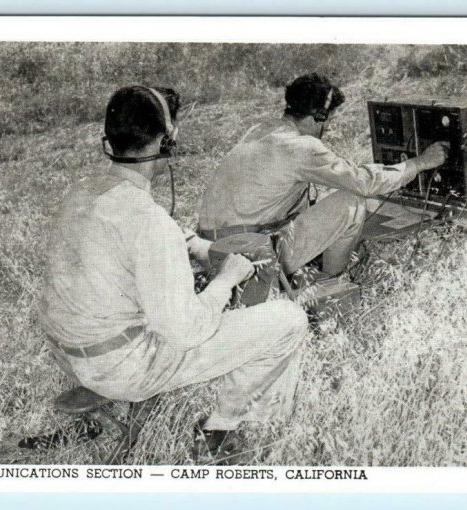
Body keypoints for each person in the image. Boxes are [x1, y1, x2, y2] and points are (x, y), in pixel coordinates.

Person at [38, 85, 308, 464]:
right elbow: (186, 332)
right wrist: (225, 280)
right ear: (167, 141)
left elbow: (121, 245)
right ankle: (224, 432)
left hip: (69, 355)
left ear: (110, 139)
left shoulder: (82, 191)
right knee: (289, 321)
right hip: (121, 369)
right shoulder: (148, 221)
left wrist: (187, 244)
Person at [198, 72, 449, 278]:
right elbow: (364, 183)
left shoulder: (259, 129)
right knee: (351, 202)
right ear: (319, 115)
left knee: (320, 198)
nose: (327, 126)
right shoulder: (302, 148)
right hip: (248, 254)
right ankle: (332, 282)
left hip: (209, 248)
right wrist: (421, 162)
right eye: (327, 119)